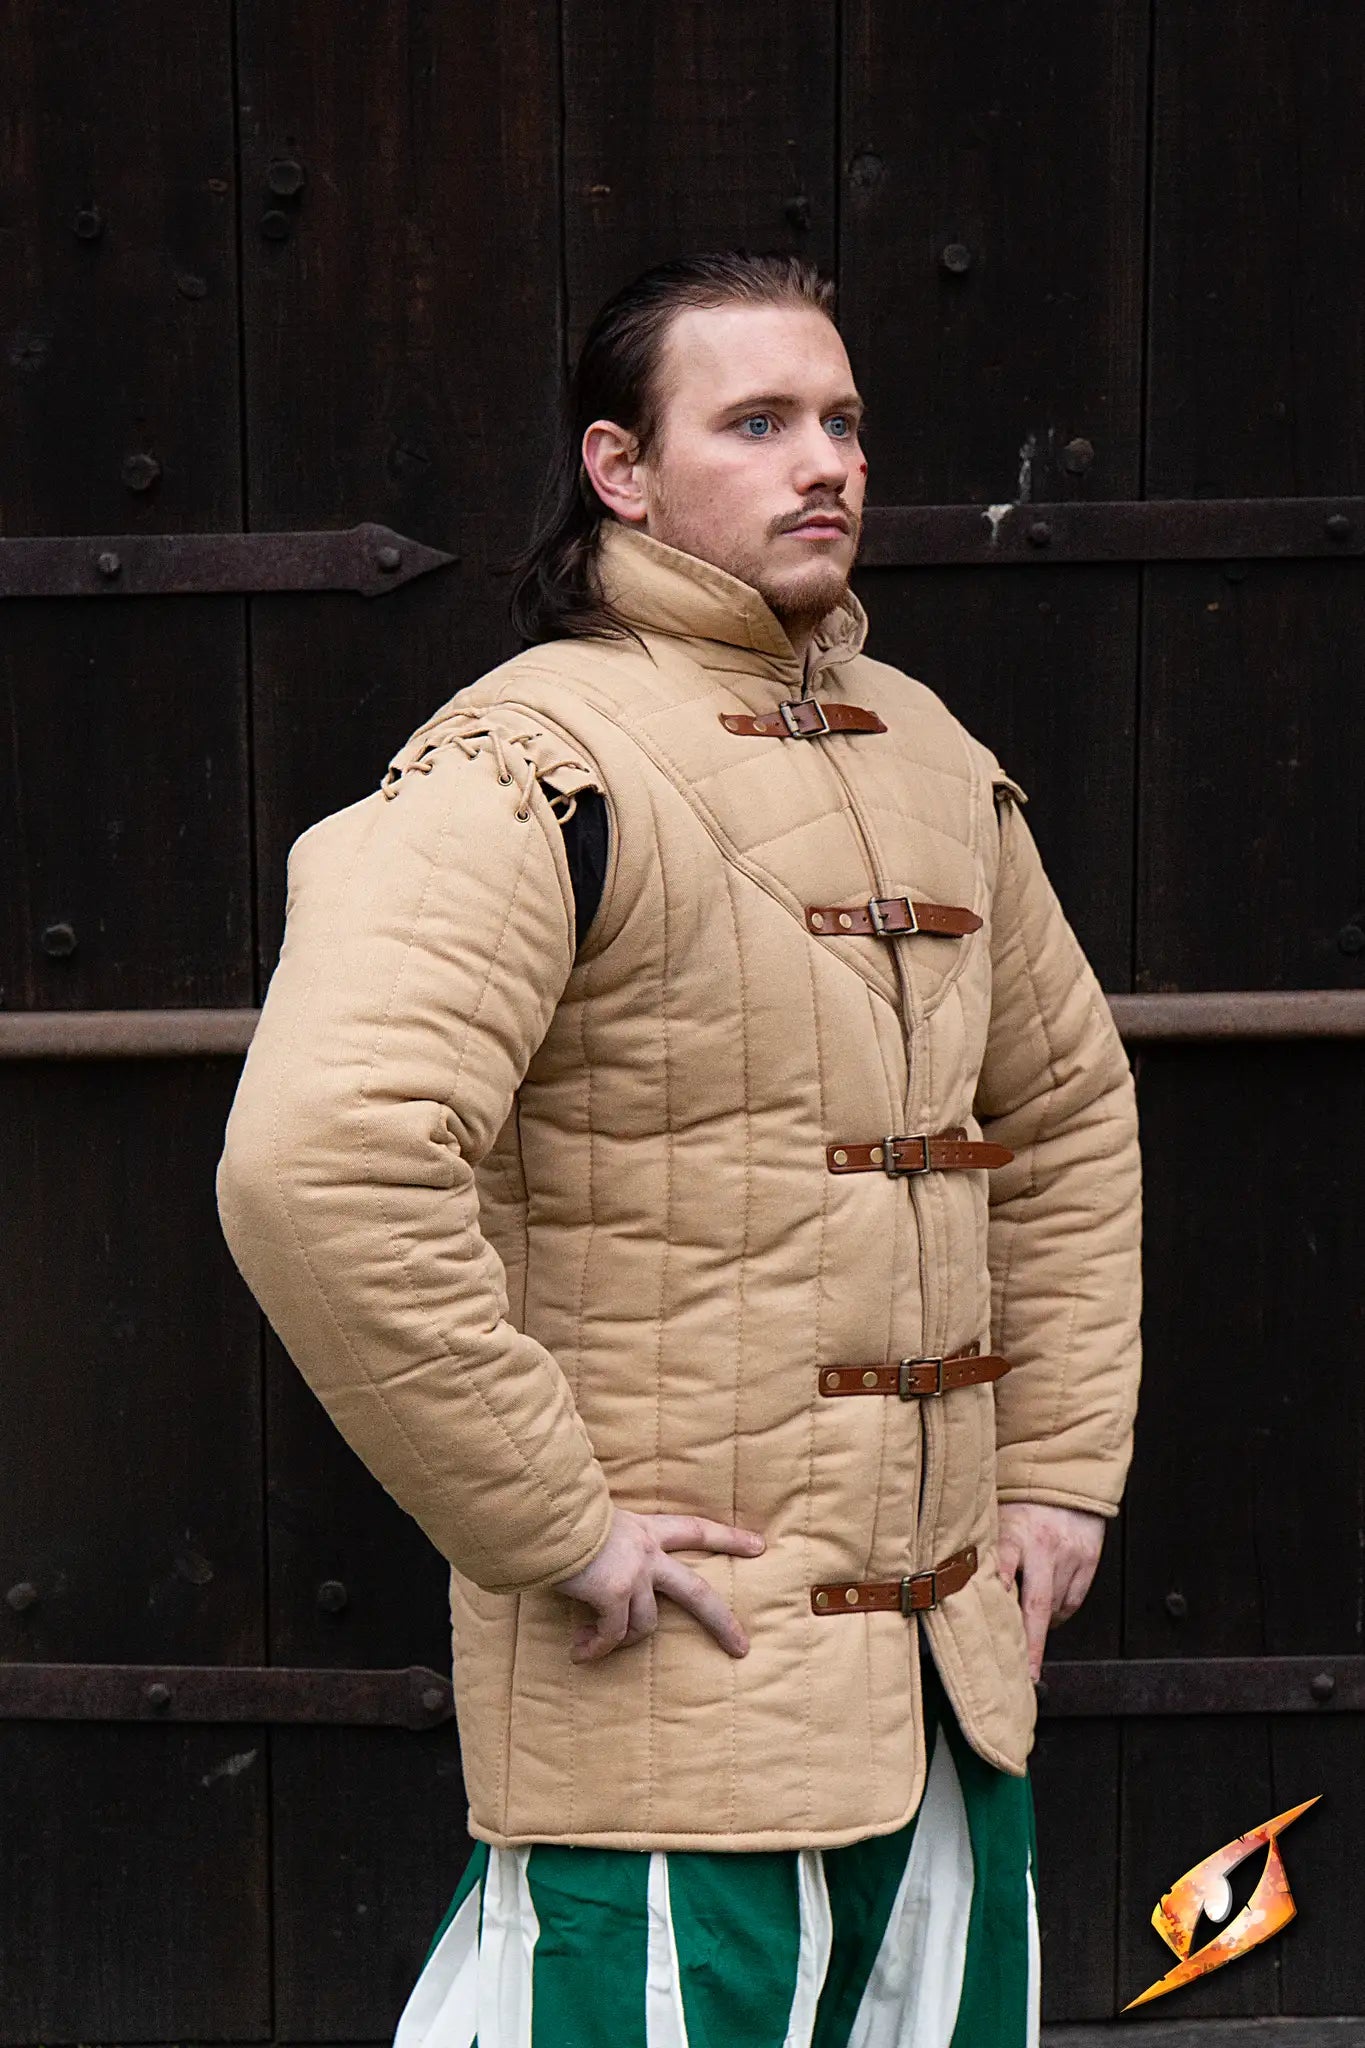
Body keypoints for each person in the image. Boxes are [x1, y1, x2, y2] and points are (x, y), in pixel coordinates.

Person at [216, 251, 1142, 2047]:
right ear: (618, 471)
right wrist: (547, 1522)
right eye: (760, 422)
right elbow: (321, 1164)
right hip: (671, 1702)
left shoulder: (935, 755)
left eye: (845, 422)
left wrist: (1058, 1471)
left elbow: (1065, 1113)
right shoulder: (522, 762)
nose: (827, 465)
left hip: (949, 1695)